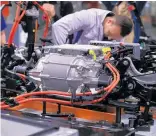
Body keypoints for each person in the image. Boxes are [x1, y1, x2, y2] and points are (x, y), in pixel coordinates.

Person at [52, 8, 133, 45]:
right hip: (72, 58)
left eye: (113, 38)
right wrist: (60, 54)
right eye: (109, 33)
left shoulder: (119, 32)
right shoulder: (89, 16)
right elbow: (59, 26)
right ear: (109, 22)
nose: (109, 39)